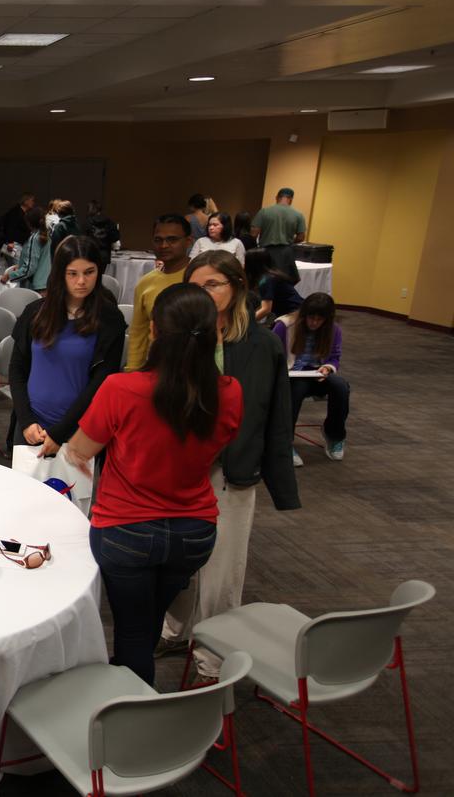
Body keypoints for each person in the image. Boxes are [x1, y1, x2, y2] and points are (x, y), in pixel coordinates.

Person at [64, 284, 243, 686]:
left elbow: (79, 450)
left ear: (156, 333)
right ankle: (135, 695)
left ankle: (133, 720)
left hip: (125, 530)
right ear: (215, 332)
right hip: (194, 532)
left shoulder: (122, 388)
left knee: (131, 632)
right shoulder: (230, 393)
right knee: (146, 621)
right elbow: (212, 451)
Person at [158, 250, 301, 679]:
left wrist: (281, 483)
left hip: (234, 469)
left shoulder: (262, 344)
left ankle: (213, 659)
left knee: (222, 571)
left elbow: (276, 415)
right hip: (181, 469)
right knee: (178, 561)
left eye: (213, 285)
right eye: (196, 287)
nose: (204, 295)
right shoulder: (181, 336)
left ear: (237, 287)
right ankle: (176, 629)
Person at [9, 236, 126, 455]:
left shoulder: (110, 319)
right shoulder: (35, 312)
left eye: (89, 272)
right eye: (72, 273)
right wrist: (26, 420)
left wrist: (61, 432)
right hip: (32, 426)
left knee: (74, 490)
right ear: (60, 274)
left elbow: (102, 381)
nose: (81, 281)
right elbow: (17, 369)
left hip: (79, 429)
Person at [272, 292, 349, 464]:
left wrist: (328, 368)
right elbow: (271, 354)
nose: (314, 323)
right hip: (290, 376)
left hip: (317, 374)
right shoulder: (285, 325)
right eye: (311, 318)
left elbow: (334, 357)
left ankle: (334, 435)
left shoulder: (333, 330)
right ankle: (286, 442)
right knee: (297, 389)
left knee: (341, 386)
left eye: (319, 320)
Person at [125, 215, 193, 371]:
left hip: (192, 371)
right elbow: (138, 332)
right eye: (158, 240)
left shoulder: (198, 276)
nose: (164, 245)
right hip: (155, 369)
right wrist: (132, 371)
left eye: (172, 240)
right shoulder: (145, 282)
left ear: (188, 241)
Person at [253, 187, 306, 284]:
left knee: (264, 282)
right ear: (290, 199)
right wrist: (290, 241)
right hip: (286, 253)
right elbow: (301, 237)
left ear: (277, 197)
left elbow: (254, 233)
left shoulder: (264, 211)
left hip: (266, 252)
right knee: (284, 283)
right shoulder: (298, 215)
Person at [244, 247, 303, 322]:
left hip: (294, 314)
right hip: (292, 312)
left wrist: (246, 323)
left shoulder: (266, 280)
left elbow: (265, 309)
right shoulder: (270, 276)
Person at [0, 207, 51, 291]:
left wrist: (9, 276)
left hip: (37, 287)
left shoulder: (34, 238)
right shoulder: (47, 236)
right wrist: (20, 265)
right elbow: (40, 261)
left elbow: (29, 269)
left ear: (28, 223)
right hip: (47, 283)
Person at [84, 200, 121, 271]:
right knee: (101, 277)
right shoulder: (109, 222)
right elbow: (115, 237)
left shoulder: (87, 222)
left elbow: (83, 239)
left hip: (90, 254)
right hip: (104, 255)